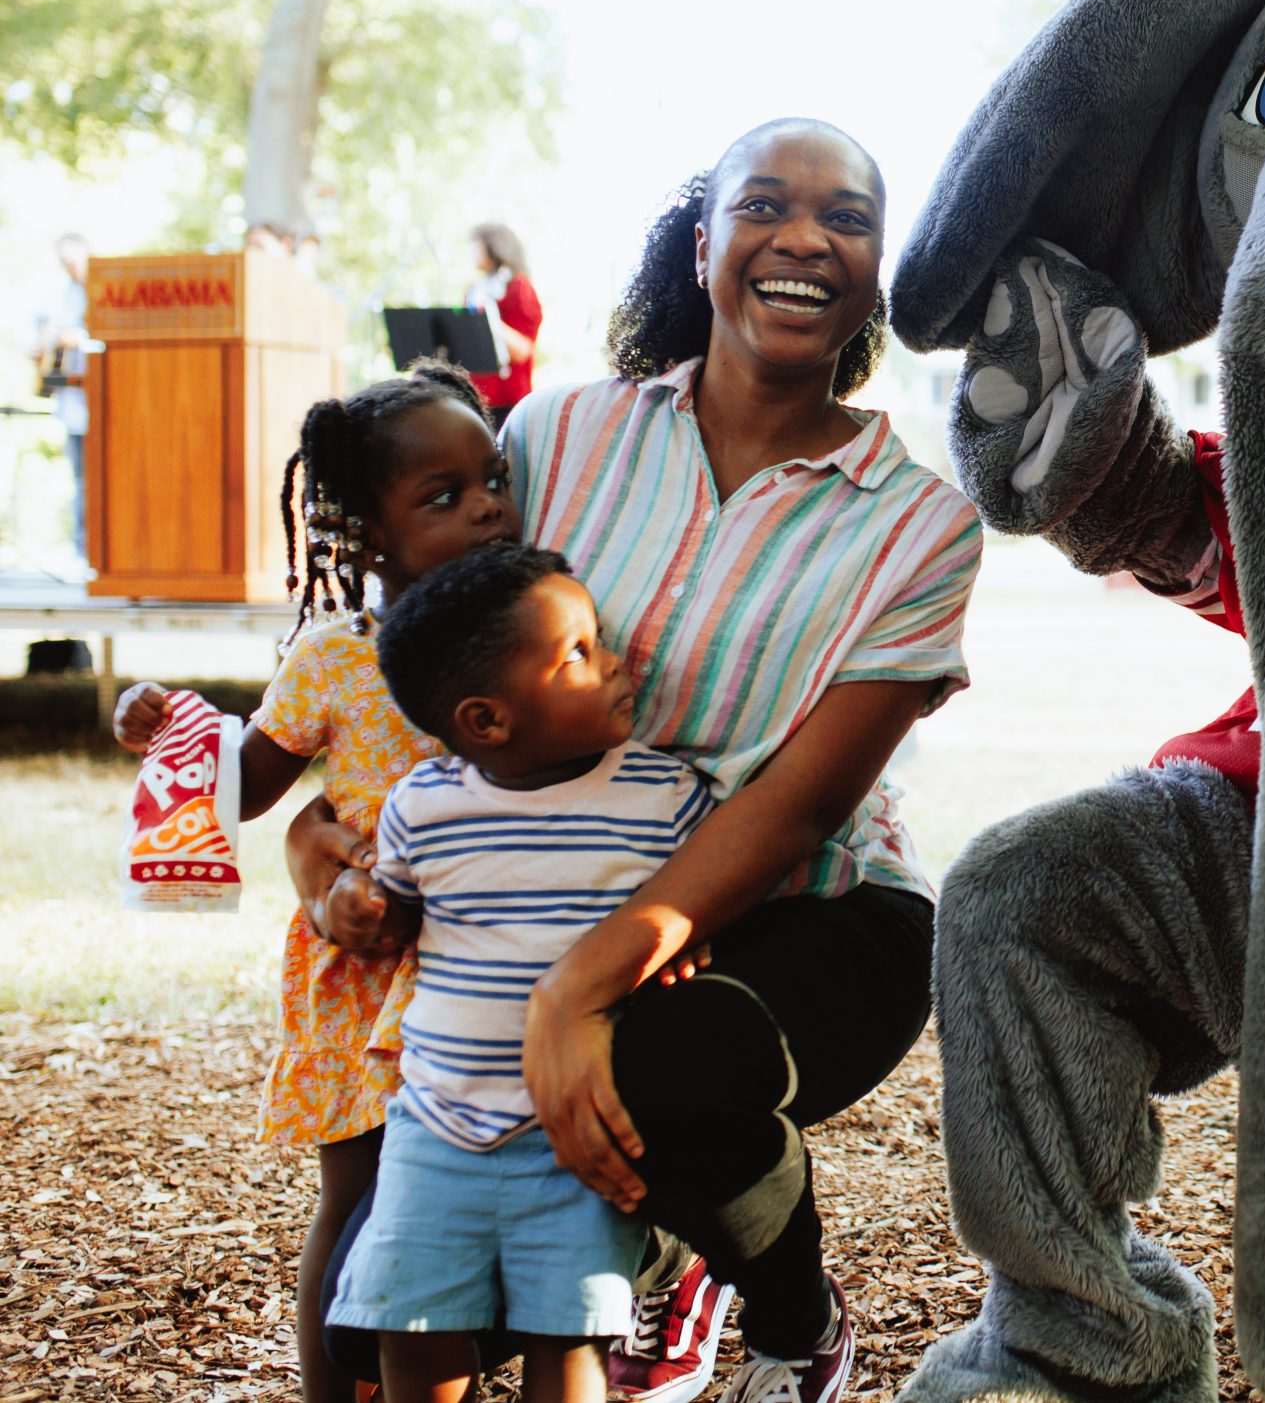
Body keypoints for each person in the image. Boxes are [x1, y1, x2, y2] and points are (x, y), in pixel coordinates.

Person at [292, 119, 982, 1403]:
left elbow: (802, 804)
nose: (802, 237)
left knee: (668, 1067)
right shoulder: (553, 441)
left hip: (813, 912)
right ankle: (656, 1238)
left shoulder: (922, 523)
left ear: (878, 268)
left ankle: (789, 1316)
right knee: (371, 1341)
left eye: (847, 218)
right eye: (763, 204)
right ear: (703, 242)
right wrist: (316, 840)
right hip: (552, 881)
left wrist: (574, 994)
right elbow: (430, 669)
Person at [113, 361, 520, 1403]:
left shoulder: (531, 635)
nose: (485, 508)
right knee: (357, 1199)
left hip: (487, 965)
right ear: (370, 537)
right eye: (443, 497)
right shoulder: (337, 656)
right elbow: (250, 786)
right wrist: (170, 724)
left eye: (492, 480)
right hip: (363, 975)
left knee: (473, 1202)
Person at [335, 544, 716, 1403]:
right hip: (435, 1127)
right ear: (487, 720)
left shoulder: (665, 798)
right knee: (414, 1326)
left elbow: (709, 905)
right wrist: (352, 906)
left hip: (574, 1132)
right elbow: (387, 916)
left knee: (568, 1333)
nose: (615, 660)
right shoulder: (425, 807)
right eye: (578, 652)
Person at [30, 232, 91, 563]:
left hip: (106, 403)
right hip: (72, 405)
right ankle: (81, 552)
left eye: (74, 261)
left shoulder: (102, 291)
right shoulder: (58, 296)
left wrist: (77, 339)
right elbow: (41, 333)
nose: (70, 269)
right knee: (80, 482)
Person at [464, 222, 543, 420]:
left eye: (476, 245)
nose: (472, 251)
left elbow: (522, 351)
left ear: (494, 246)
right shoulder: (475, 290)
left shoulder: (518, 288)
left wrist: (486, 320)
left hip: (508, 402)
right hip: (476, 398)